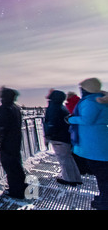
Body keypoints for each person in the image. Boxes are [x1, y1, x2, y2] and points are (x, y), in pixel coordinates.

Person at [68, 78, 108, 210]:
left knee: (102, 175)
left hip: (95, 144)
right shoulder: (98, 100)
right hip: (97, 142)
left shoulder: (91, 101)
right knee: (102, 174)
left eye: (82, 88)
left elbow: (87, 119)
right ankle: (103, 197)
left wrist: (70, 119)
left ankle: (104, 201)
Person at [0, 87, 26, 199]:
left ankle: (16, 192)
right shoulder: (15, 108)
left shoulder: (4, 109)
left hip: (7, 144)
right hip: (15, 142)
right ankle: (21, 187)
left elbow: (1, 129)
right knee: (16, 166)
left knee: (11, 168)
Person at [44, 90, 82, 186]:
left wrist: (48, 136)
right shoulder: (62, 107)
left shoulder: (53, 108)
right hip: (64, 136)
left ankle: (68, 179)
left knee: (63, 159)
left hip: (58, 138)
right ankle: (75, 178)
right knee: (68, 158)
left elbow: (51, 124)